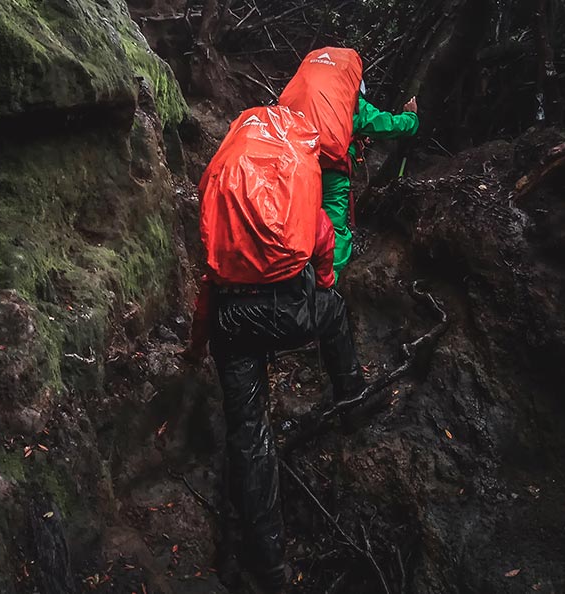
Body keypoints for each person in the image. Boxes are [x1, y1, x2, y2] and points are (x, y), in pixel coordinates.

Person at [183, 106, 365, 592]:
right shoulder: (296, 170)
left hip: (234, 321)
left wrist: (196, 347)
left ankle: (269, 567)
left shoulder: (222, 176)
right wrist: (322, 288)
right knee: (336, 314)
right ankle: (353, 407)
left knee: (250, 433)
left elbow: (210, 275)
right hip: (292, 310)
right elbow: (323, 238)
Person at [323, 90, 419, 278]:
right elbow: (387, 124)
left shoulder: (315, 99)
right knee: (334, 229)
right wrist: (411, 117)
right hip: (332, 171)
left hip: (299, 163)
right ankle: (326, 284)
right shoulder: (349, 101)